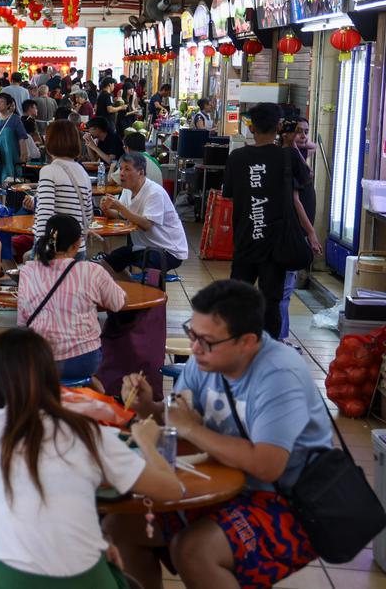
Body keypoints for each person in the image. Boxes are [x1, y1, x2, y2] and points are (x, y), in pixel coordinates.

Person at [109, 280, 334, 589]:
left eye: (207, 341)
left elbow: (268, 465)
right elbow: (181, 416)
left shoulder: (279, 375)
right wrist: (150, 406)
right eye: (192, 334)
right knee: (121, 528)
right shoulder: (205, 359)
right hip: (222, 480)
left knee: (193, 550)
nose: (195, 348)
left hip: (287, 500)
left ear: (248, 341)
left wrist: (192, 428)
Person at [0, 327, 182, 586]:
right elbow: (173, 490)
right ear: (52, 376)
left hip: (15, 580)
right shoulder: (86, 431)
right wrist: (147, 442)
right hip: (90, 578)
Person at [222, 103, 322, 337]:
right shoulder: (288, 157)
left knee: (238, 301)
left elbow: (230, 194)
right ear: (279, 126)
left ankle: (237, 348)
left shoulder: (237, 157)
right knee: (271, 304)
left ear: (252, 127)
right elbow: (307, 177)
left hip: (246, 241)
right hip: (275, 248)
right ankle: (269, 353)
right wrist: (289, 145)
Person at [18, 215, 126, 380]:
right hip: (82, 360)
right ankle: (93, 387)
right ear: (77, 244)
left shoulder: (28, 271)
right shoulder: (91, 271)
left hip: (39, 360)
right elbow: (117, 303)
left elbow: (22, 322)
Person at [100, 152, 189, 273]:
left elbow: (146, 225)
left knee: (139, 268)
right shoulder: (127, 190)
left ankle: (149, 289)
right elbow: (121, 216)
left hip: (168, 250)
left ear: (140, 172)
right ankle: (130, 290)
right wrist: (107, 209)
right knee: (107, 265)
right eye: (120, 168)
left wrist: (120, 207)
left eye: (127, 169)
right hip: (143, 247)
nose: (121, 173)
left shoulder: (154, 192)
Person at [26, 120, 94, 248]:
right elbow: (88, 215)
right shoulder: (83, 173)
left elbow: (45, 215)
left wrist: (42, 249)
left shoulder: (49, 171)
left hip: (55, 249)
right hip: (78, 248)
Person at [279, 119, 316, 339]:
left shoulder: (299, 159)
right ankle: (280, 339)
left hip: (297, 232)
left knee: (285, 291)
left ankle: (279, 338)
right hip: (293, 233)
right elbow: (296, 200)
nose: (303, 136)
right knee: (284, 291)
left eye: (306, 132)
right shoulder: (289, 160)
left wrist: (299, 144)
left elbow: (310, 150)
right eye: (298, 132)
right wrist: (311, 232)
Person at [0, 92, 30, 184]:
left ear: (8, 104)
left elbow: (21, 137)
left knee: (10, 181)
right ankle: (2, 198)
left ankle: (8, 198)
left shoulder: (15, 119)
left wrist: (23, 153)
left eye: (1, 102)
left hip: (11, 156)